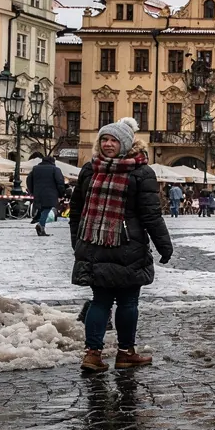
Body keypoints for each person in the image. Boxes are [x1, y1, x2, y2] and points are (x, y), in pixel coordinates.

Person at [70, 119, 172, 372]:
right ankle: (105, 354)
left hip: (125, 246)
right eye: (104, 139)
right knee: (105, 301)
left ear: (125, 144)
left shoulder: (139, 173)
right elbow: (76, 211)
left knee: (118, 302)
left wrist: (163, 244)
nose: (107, 144)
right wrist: (78, 241)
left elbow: (150, 215)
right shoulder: (91, 170)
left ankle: (106, 353)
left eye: (113, 140)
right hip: (102, 245)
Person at [28, 153, 65, 237]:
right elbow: (60, 182)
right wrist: (61, 193)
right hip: (50, 194)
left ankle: (40, 225)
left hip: (38, 193)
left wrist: (32, 191)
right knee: (47, 209)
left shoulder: (35, 169)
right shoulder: (55, 169)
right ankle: (41, 225)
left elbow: (29, 180)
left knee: (42, 208)